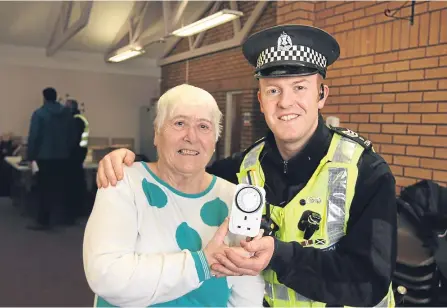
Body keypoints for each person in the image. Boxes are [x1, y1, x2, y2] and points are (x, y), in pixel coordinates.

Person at [95, 25, 397, 307]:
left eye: (300, 87)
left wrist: (278, 255)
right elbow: (184, 167)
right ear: (261, 100)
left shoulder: (366, 172)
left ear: (321, 95)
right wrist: (129, 163)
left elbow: (369, 282)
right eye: (274, 90)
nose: (285, 102)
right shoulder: (242, 169)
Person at [83, 84, 264, 307]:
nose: (192, 136)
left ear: (214, 140)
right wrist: (201, 264)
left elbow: (247, 288)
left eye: (203, 126)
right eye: (179, 123)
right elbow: (107, 276)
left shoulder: (234, 197)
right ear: (156, 134)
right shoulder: (124, 181)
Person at [26, 87, 75, 230]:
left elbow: (34, 136)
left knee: (44, 189)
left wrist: (31, 156)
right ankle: (61, 218)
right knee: (60, 188)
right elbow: (72, 135)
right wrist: (67, 150)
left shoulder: (39, 114)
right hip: (63, 157)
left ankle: (44, 221)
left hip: (44, 157)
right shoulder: (67, 114)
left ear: (44, 98)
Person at [65, 99, 89, 222]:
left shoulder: (75, 120)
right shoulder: (80, 119)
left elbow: (72, 140)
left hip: (73, 155)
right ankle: (80, 208)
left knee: (73, 183)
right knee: (79, 180)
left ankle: (74, 210)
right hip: (80, 153)